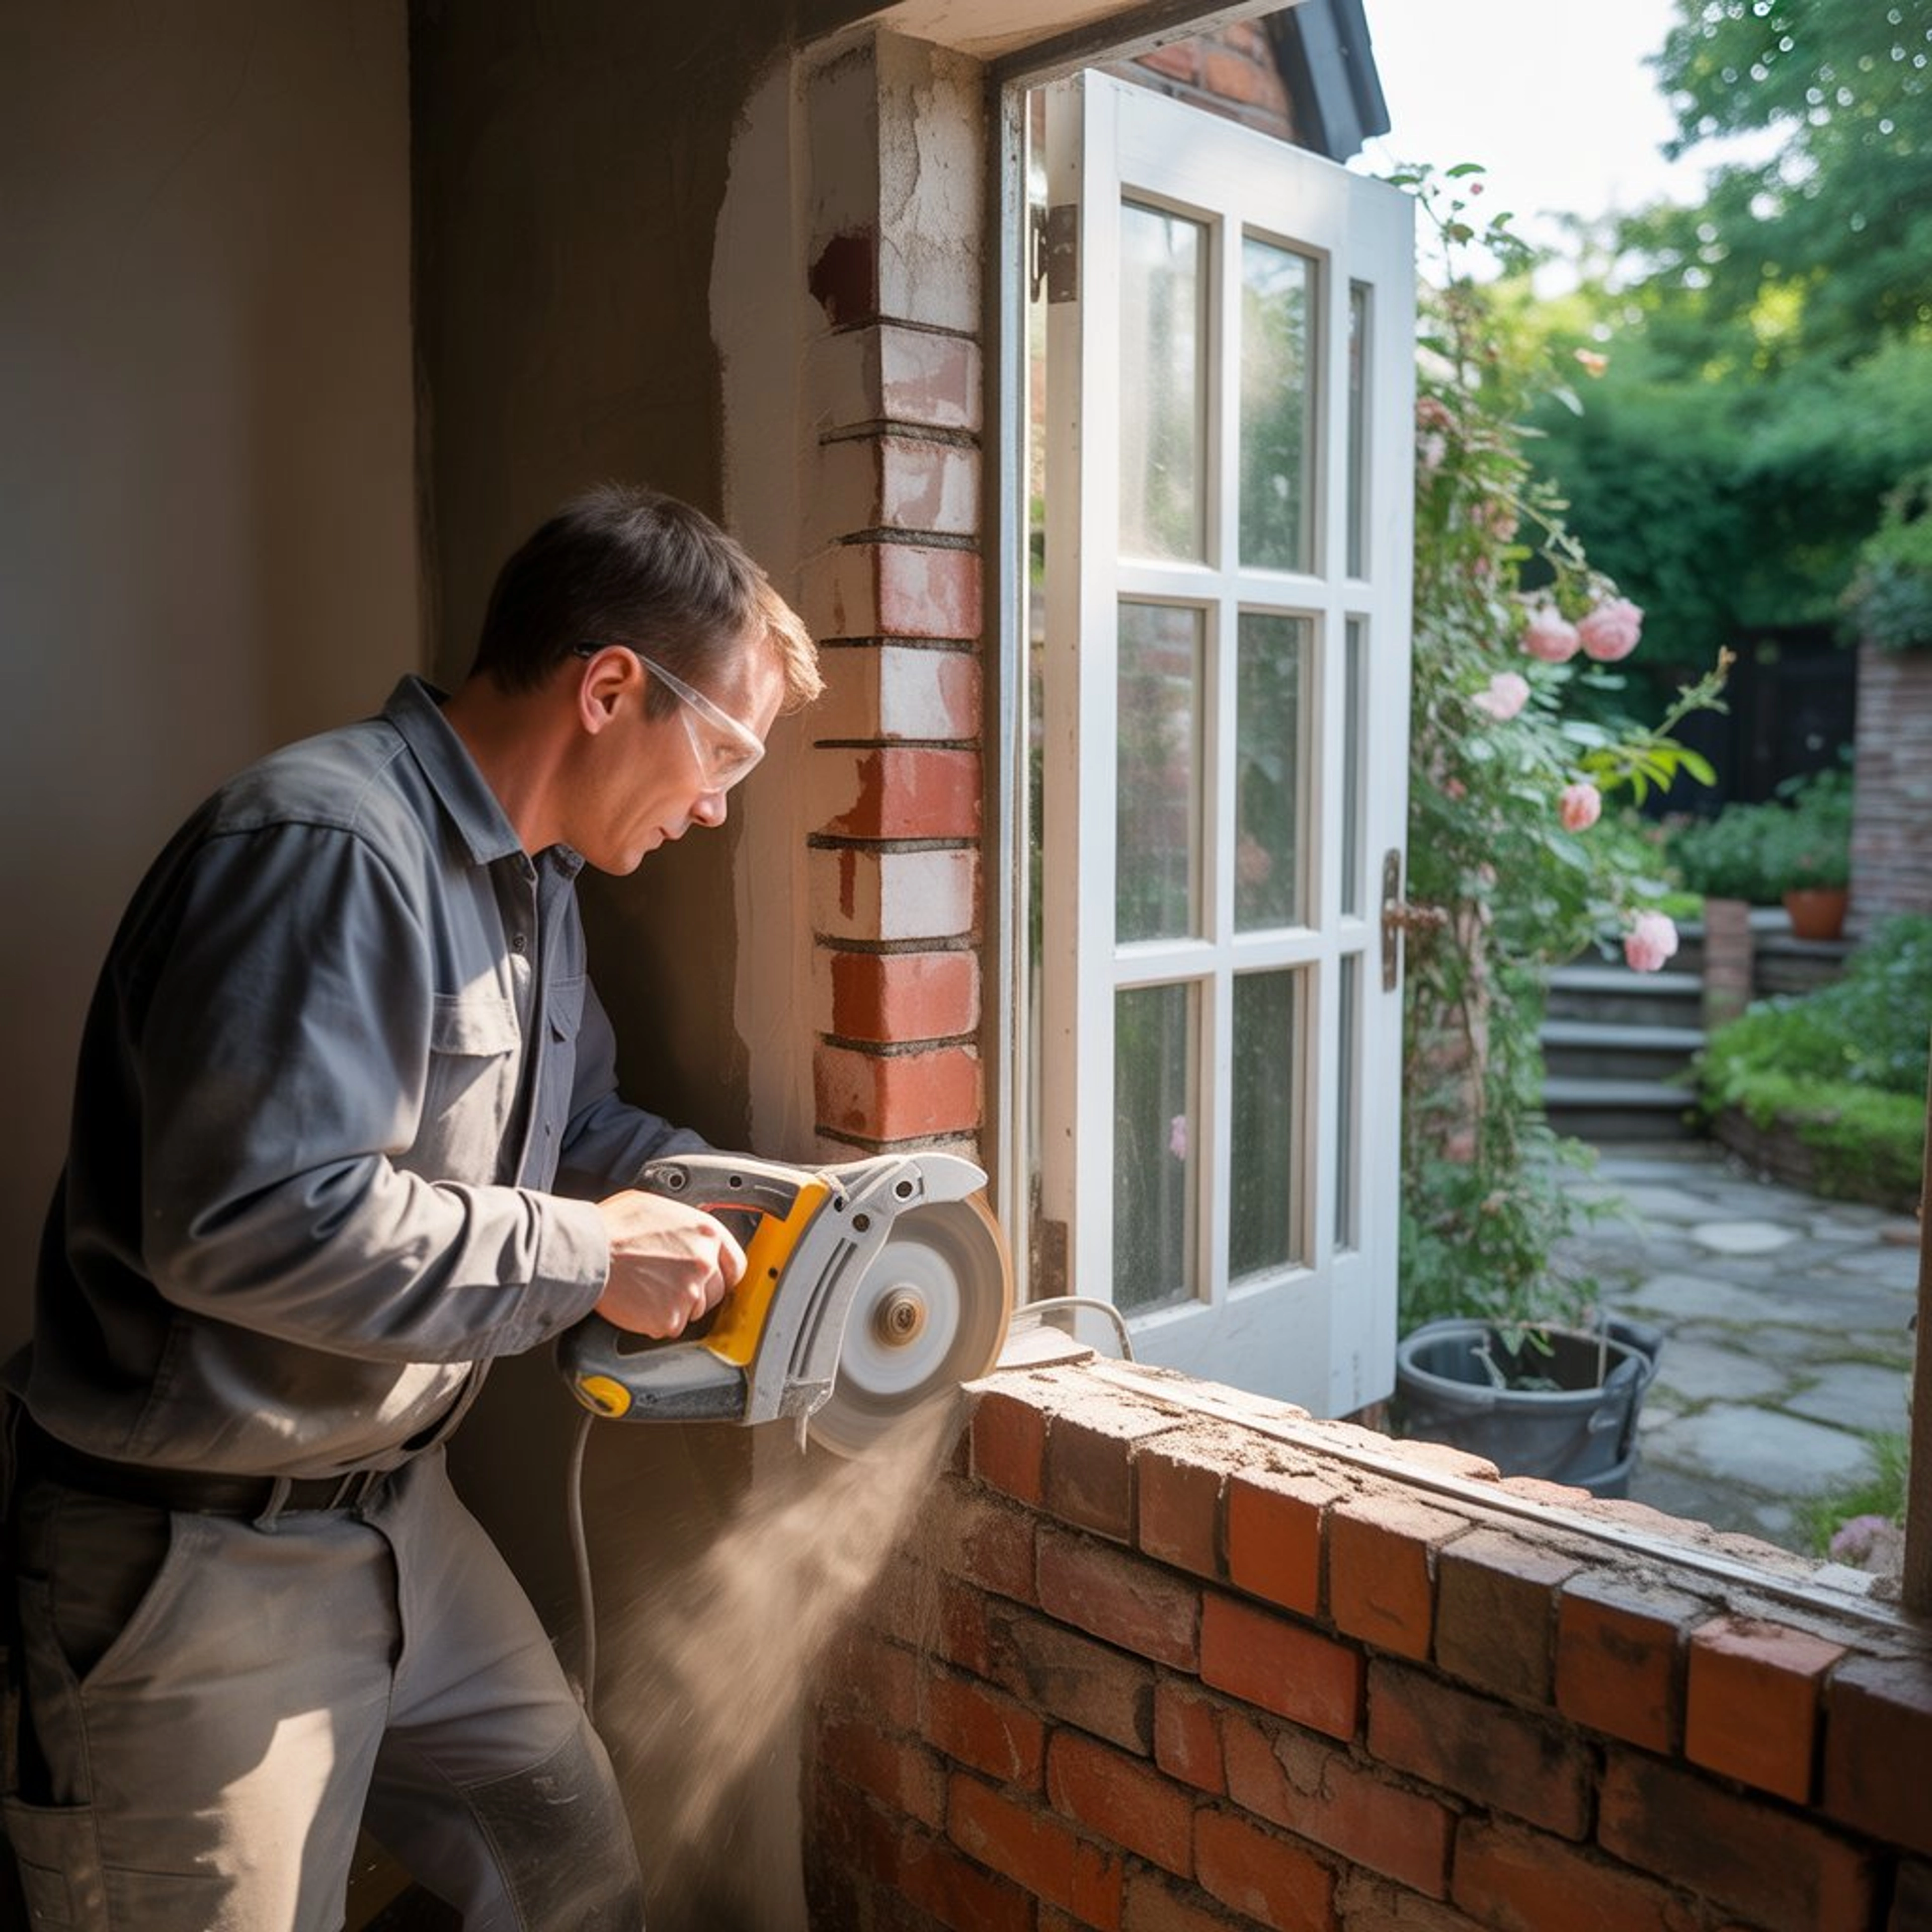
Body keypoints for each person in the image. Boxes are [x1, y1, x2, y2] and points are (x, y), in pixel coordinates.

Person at [0, 482, 821, 1930]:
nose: (718, 801)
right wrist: (588, 1258)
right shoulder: (327, 849)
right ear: (612, 687)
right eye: (729, 752)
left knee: (572, 1880)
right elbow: (247, 1220)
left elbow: (566, 1136)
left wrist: (761, 1211)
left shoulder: (537, 886)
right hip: (199, 1559)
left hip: (403, 1523)